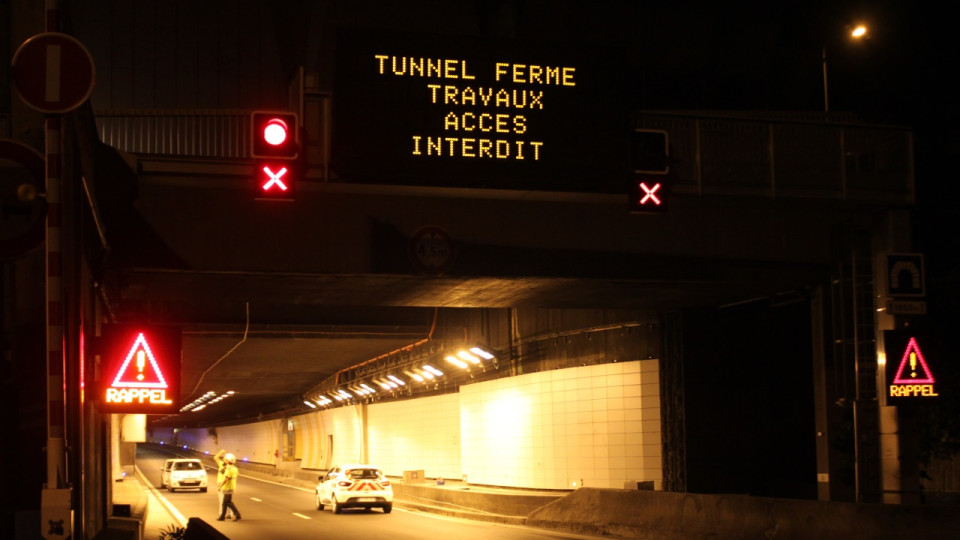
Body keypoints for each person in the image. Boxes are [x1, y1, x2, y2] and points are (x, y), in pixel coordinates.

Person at [216, 452, 241, 521]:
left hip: (228, 487)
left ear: (228, 460)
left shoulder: (229, 469)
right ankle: (222, 517)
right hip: (232, 487)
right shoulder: (235, 468)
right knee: (225, 502)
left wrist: (220, 486)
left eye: (226, 459)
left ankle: (238, 515)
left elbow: (226, 479)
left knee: (228, 502)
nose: (224, 460)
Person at [213, 450, 235, 520]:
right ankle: (230, 514)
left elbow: (227, 477)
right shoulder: (223, 464)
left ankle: (221, 515)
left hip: (223, 483)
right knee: (227, 500)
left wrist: (220, 486)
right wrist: (221, 452)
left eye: (225, 458)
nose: (224, 458)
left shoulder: (229, 467)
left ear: (227, 460)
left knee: (222, 500)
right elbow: (216, 457)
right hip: (227, 484)